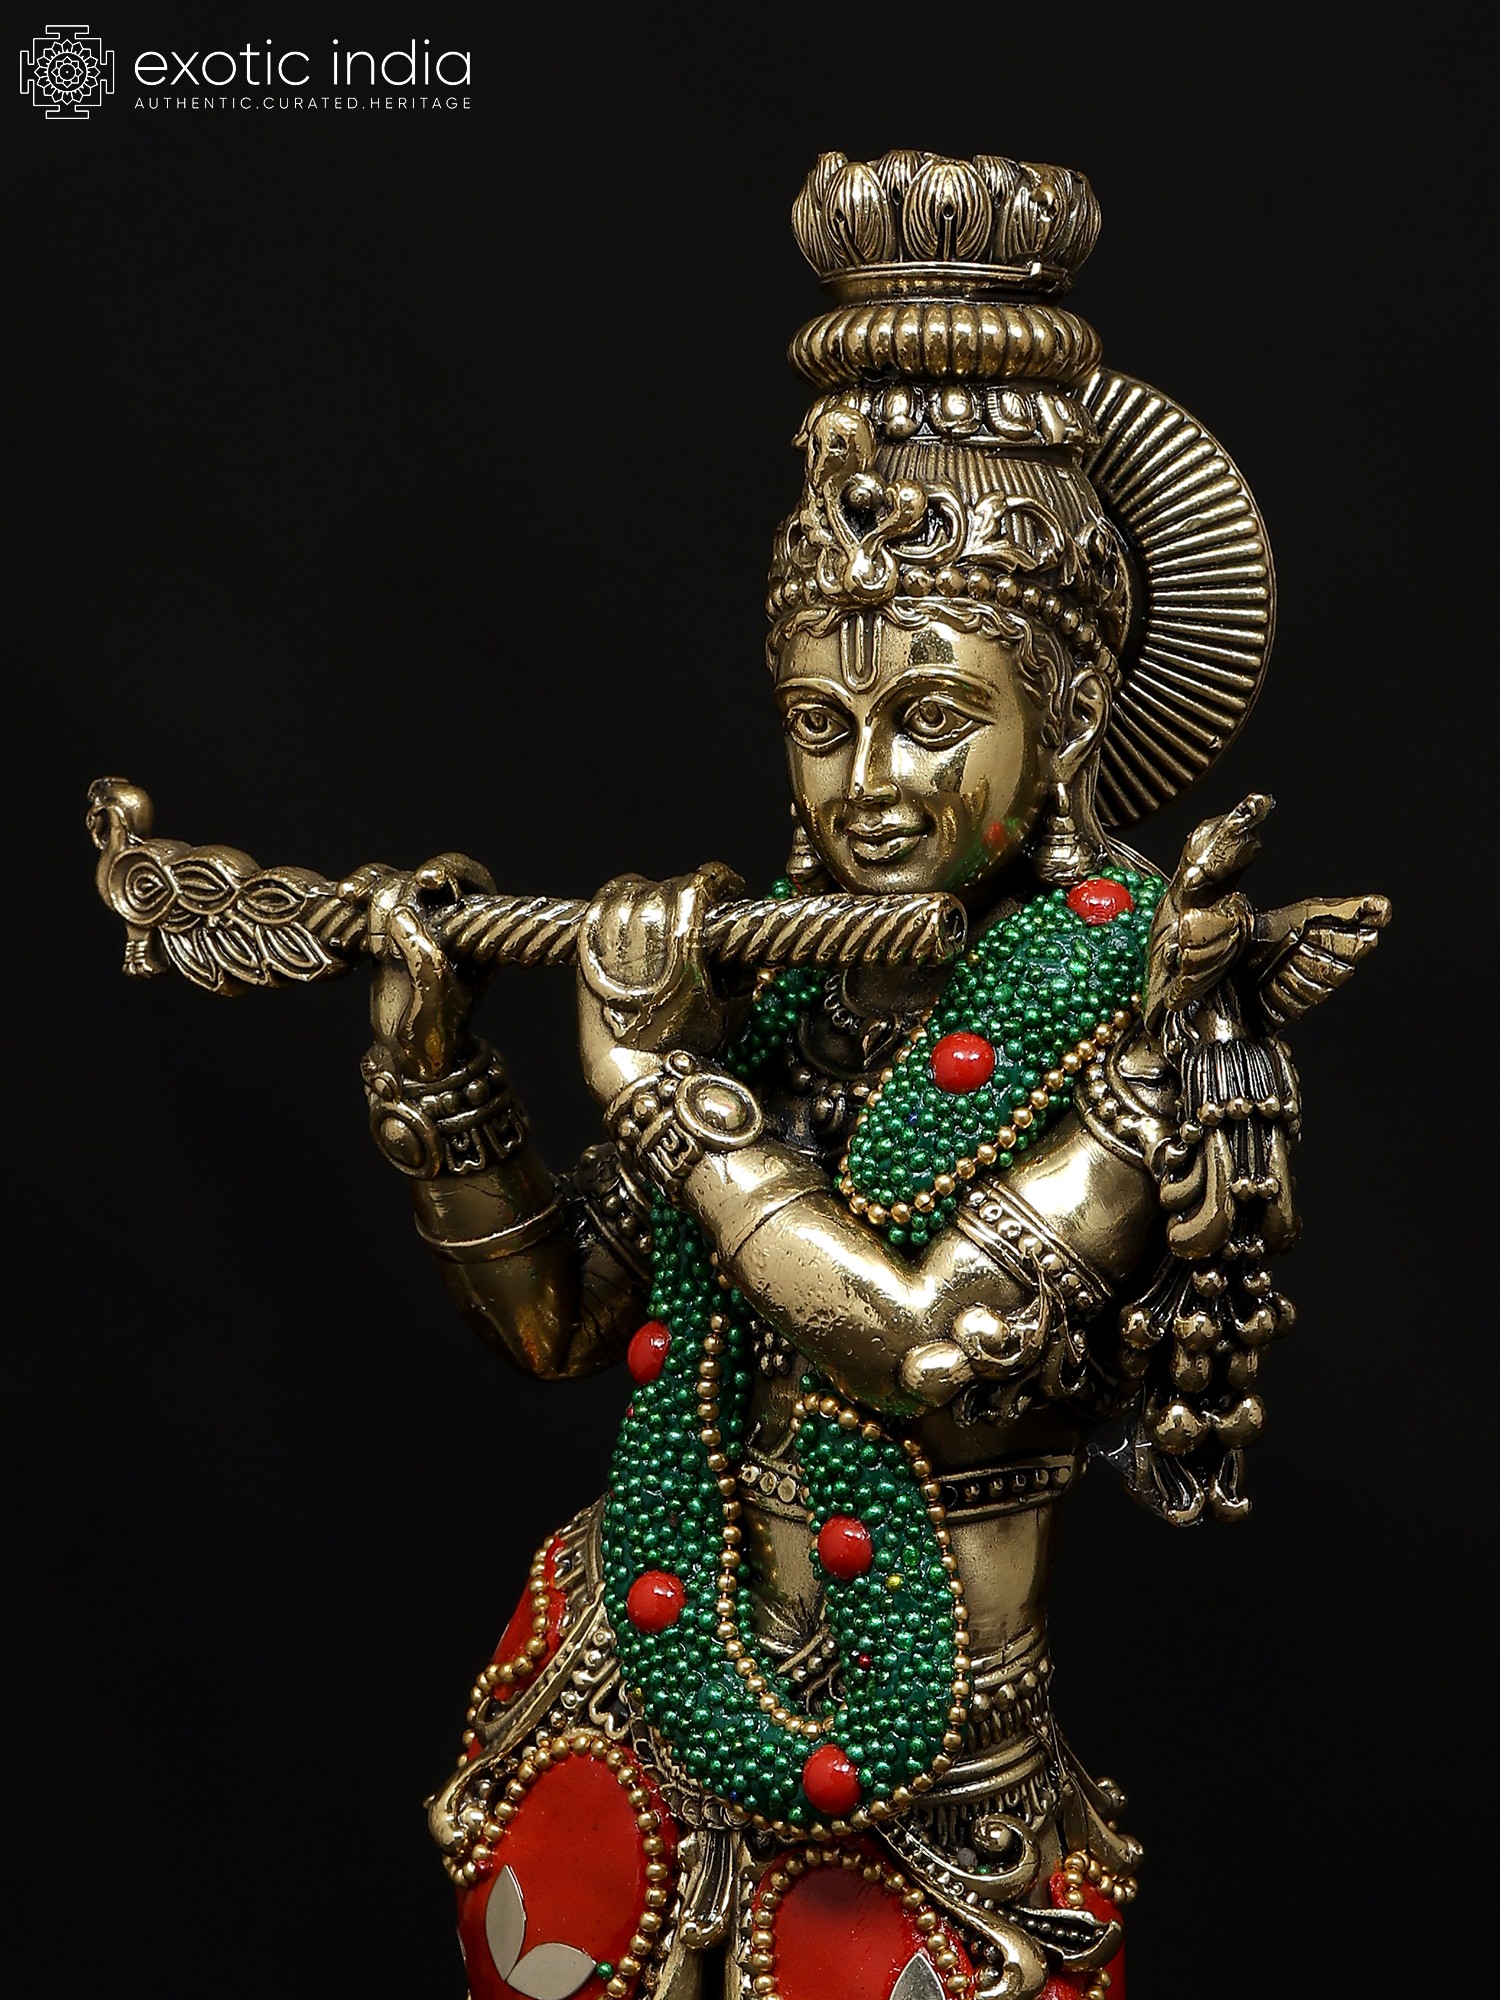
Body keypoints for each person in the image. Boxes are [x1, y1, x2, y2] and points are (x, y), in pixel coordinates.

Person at [355, 152, 1380, 2000]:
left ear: (1068, 713)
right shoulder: (781, 992)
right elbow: (563, 1325)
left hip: (937, 1762)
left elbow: (923, 1340)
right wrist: (441, 1092)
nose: (871, 785)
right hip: (645, 1673)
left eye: (932, 715)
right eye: (822, 727)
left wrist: (665, 1093)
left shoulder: (1156, 1021)